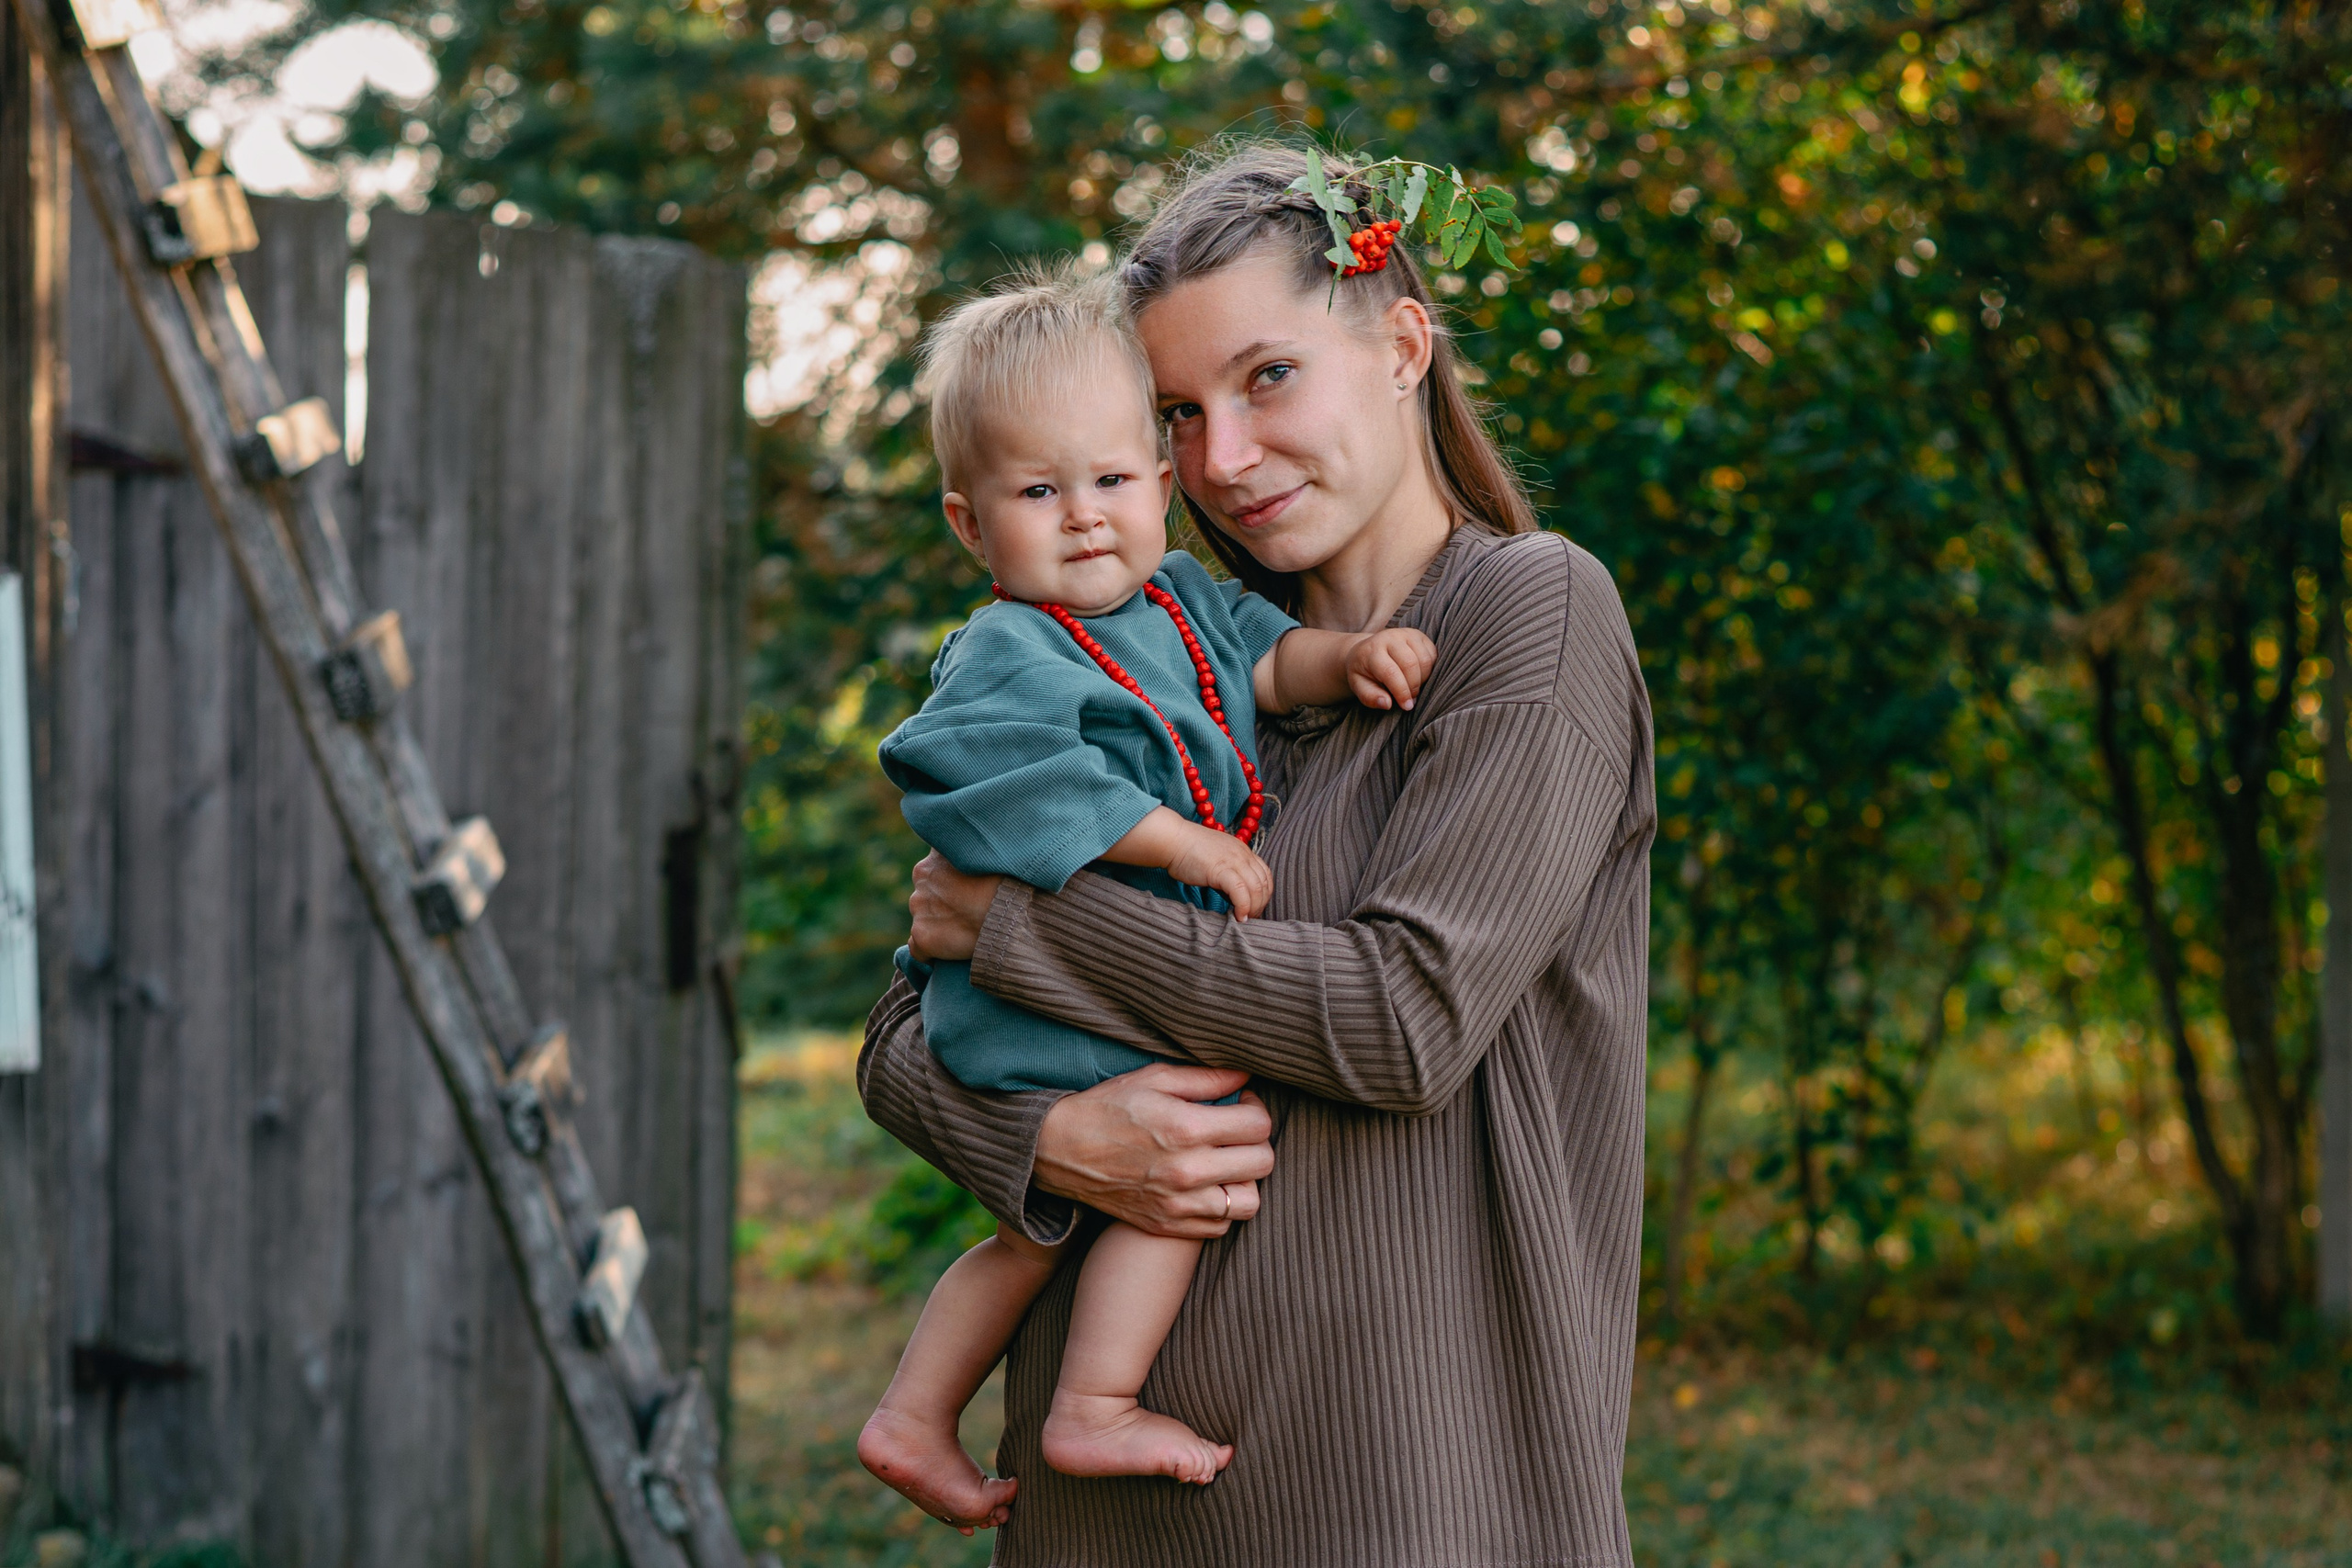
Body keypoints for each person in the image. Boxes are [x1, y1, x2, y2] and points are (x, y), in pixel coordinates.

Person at [860, 140, 1656, 1568]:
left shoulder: (1526, 618)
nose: (1220, 458)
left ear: (1404, 344)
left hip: (1400, 1501)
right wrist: (1057, 1140)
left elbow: (1406, 1020)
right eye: (1177, 412)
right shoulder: (1143, 648)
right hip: (1096, 1519)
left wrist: (1024, 927)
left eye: (1267, 377)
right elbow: (901, 1035)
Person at [857, 265, 1440, 1531]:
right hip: (1034, 1009)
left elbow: (1269, 668)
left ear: (1162, 491)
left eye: (1112, 482)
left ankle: (915, 1412)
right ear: (970, 524)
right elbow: (1004, 784)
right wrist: (1177, 843)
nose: (1081, 519)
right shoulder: (1008, 649)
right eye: (1037, 492)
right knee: (1196, 1140)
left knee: (1042, 1232)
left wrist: (1353, 656)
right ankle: (1093, 1403)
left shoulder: (1179, 605)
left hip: (1086, 980)